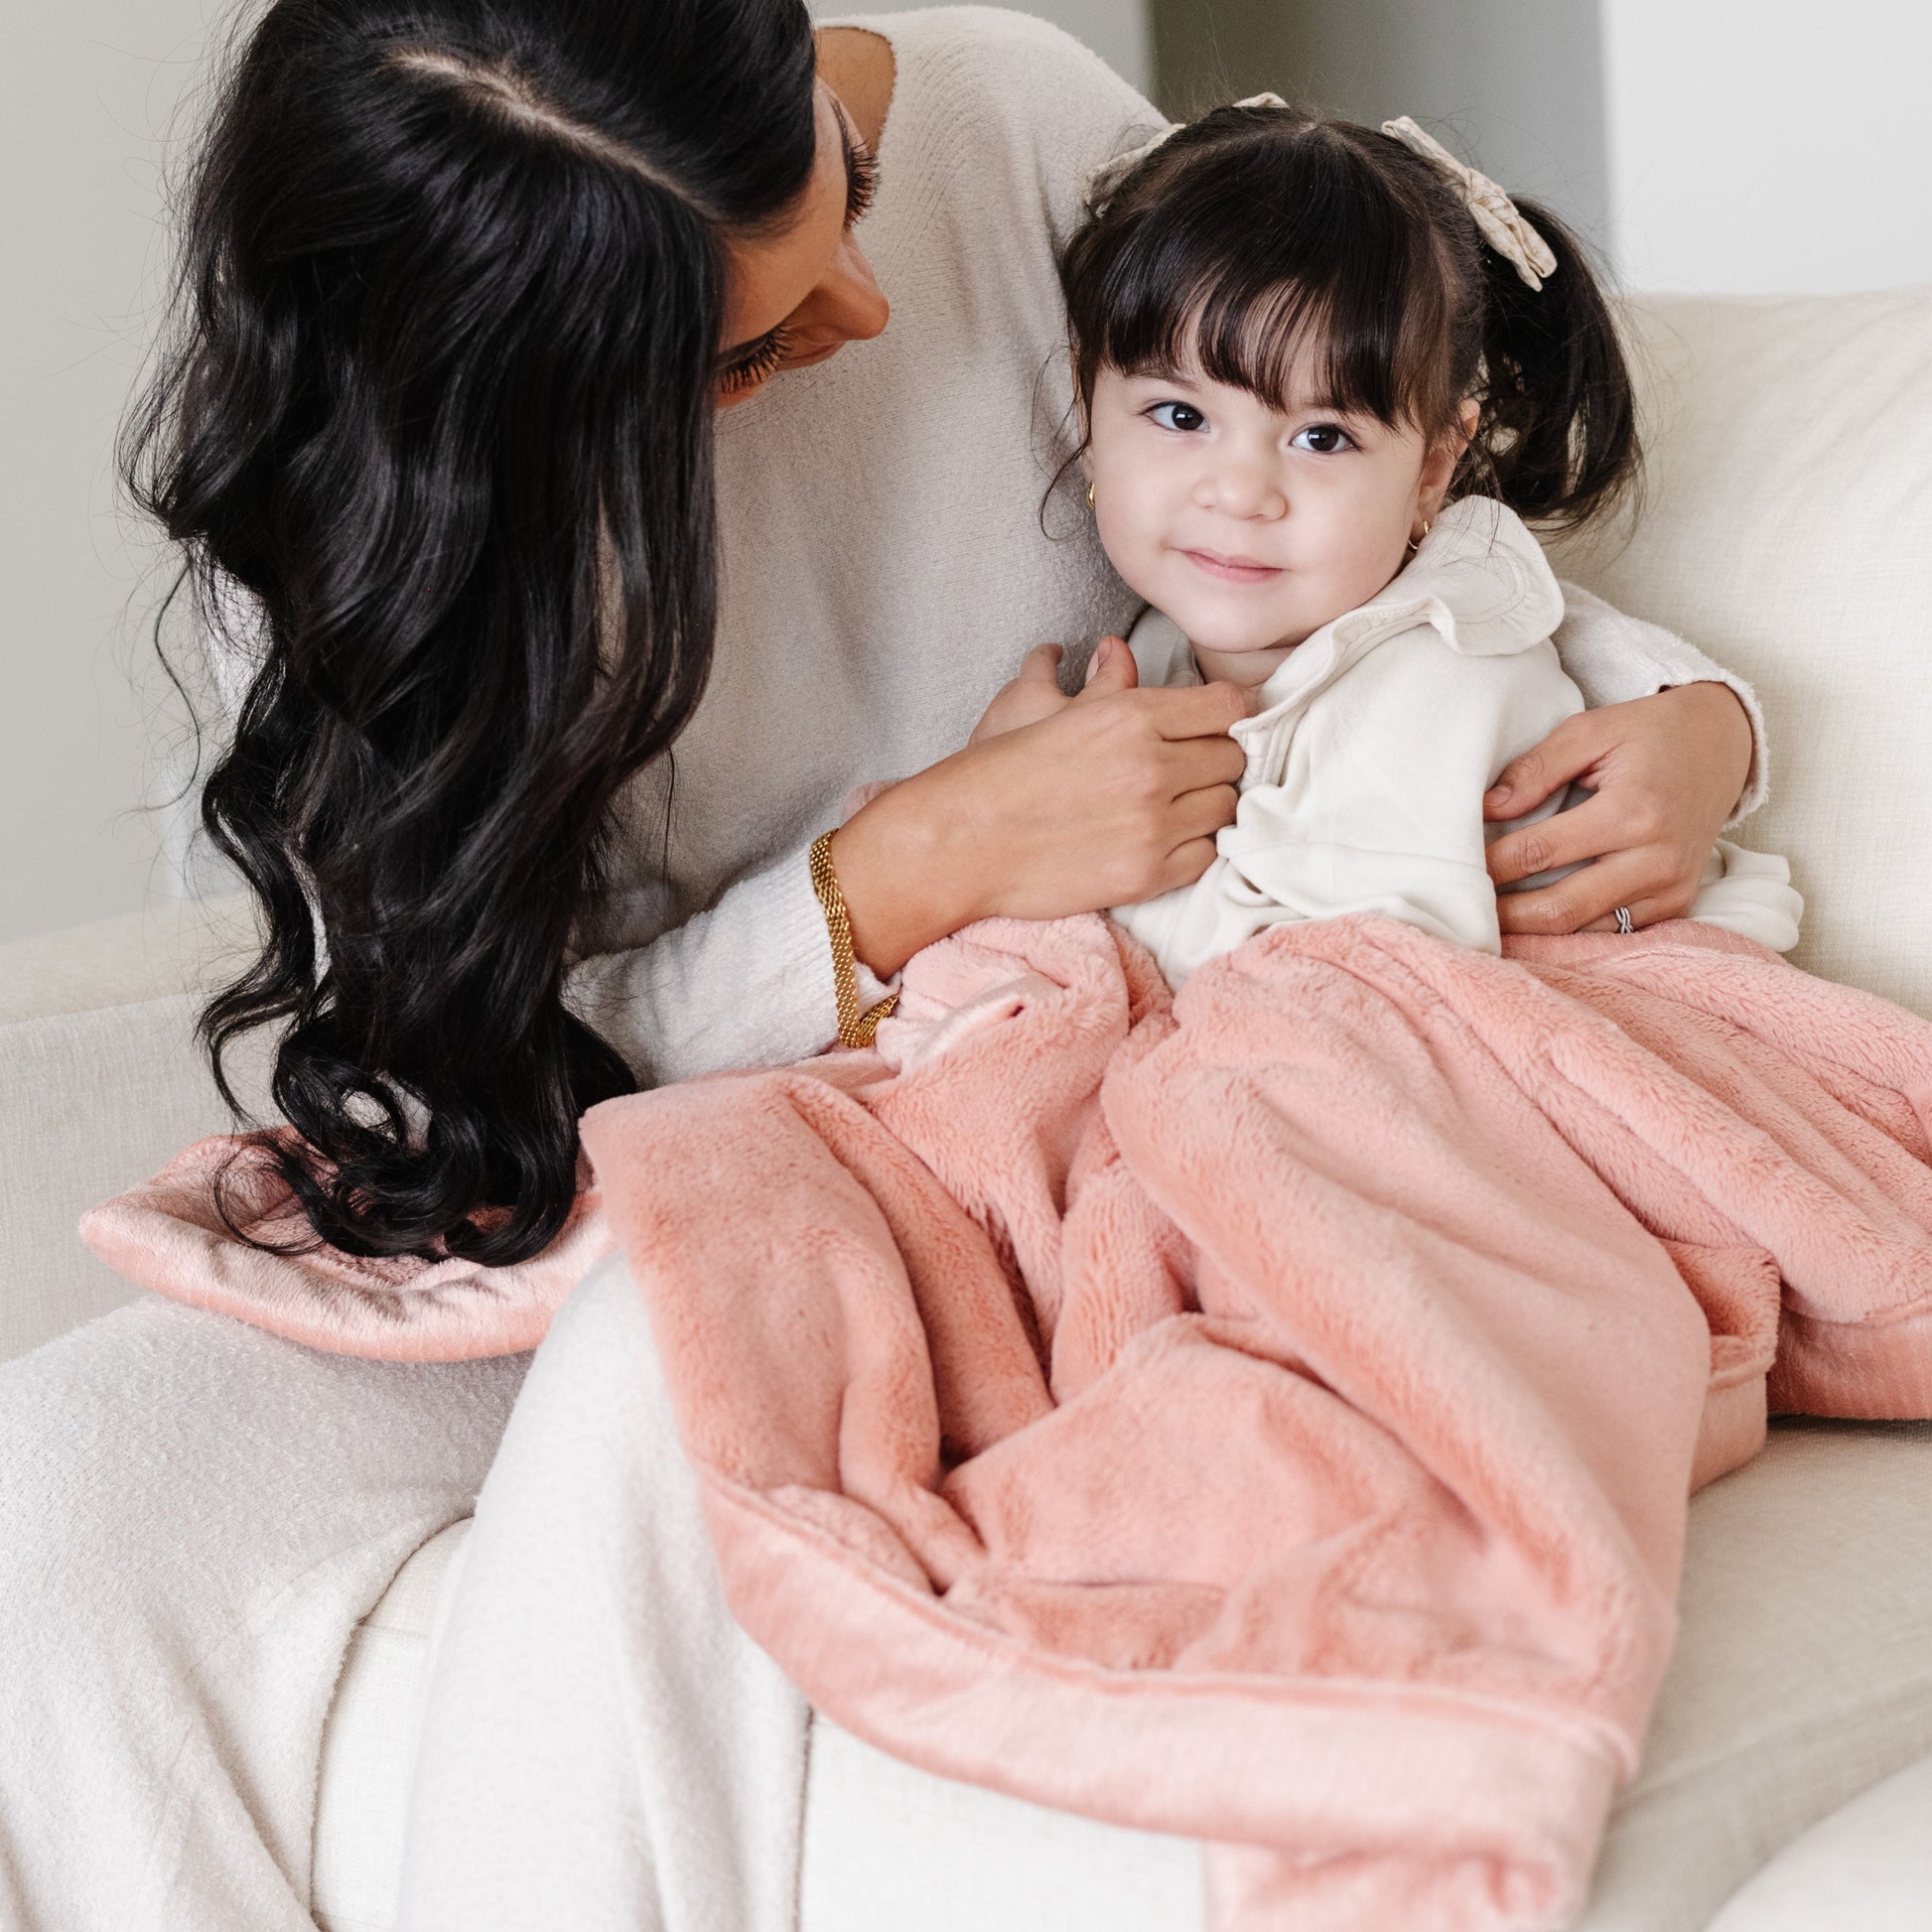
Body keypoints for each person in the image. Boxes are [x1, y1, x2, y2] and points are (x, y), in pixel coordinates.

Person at [0, 4, 1768, 1927]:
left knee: (661, 1369)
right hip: (643, 1150)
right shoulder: (386, 543)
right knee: (68, 1475)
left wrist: (1701, 721)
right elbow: (458, 1080)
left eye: (836, 189)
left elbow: (1369, 498)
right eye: (743, 351)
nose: (863, 306)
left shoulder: (999, 112)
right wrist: (881, 886)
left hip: (1018, 1151)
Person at [1018, 97, 1801, 984]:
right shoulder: (1148, 651)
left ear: (1432, 471)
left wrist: (1028, 861)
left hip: (1530, 996)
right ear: (1087, 418)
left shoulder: (1438, 669)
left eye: (1322, 437)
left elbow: (1347, 964)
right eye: (1180, 414)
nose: (1238, 493)